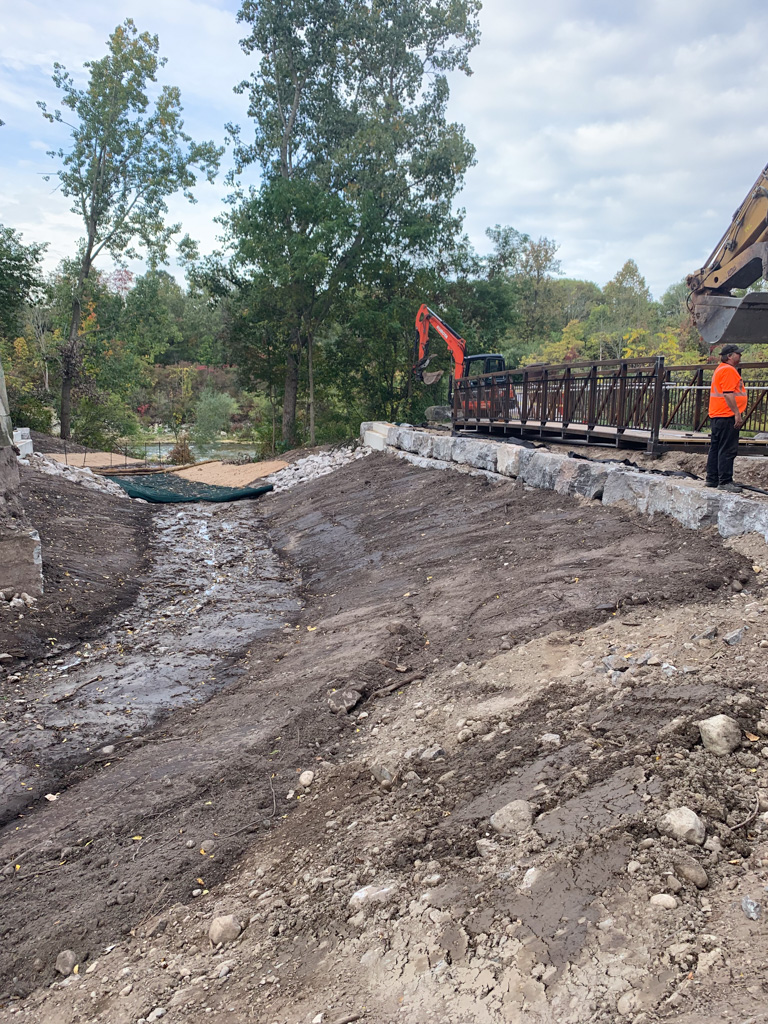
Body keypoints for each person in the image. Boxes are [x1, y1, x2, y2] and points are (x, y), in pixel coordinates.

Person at [706, 343, 747, 492]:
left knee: (715, 447)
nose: (740, 356)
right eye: (738, 353)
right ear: (729, 356)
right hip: (726, 415)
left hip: (717, 414)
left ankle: (712, 478)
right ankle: (725, 481)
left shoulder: (720, 369)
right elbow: (728, 393)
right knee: (727, 449)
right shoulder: (729, 371)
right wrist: (737, 413)